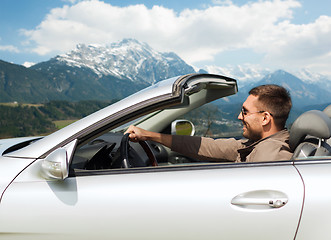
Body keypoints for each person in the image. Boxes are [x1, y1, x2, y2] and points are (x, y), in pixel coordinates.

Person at [125, 84, 293, 162]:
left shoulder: (271, 155)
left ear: (265, 118)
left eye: (245, 112)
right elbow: (207, 146)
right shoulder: (256, 145)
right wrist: (148, 135)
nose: (239, 117)